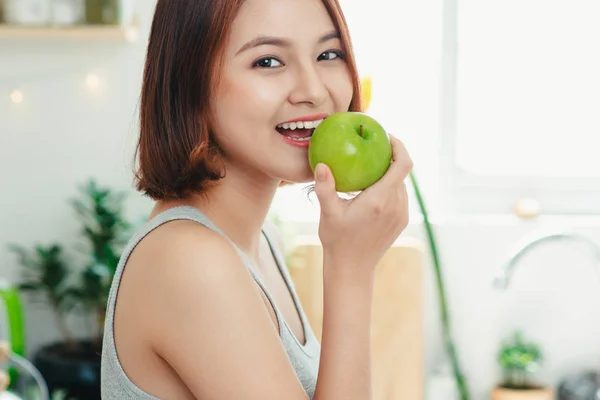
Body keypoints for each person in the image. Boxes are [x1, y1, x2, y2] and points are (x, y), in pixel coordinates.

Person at [100, 0, 413, 398]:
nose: (314, 91)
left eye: (328, 54)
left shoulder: (260, 241)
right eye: (267, 62)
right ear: (190, 81)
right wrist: (351, 273)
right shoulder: (189, 261)